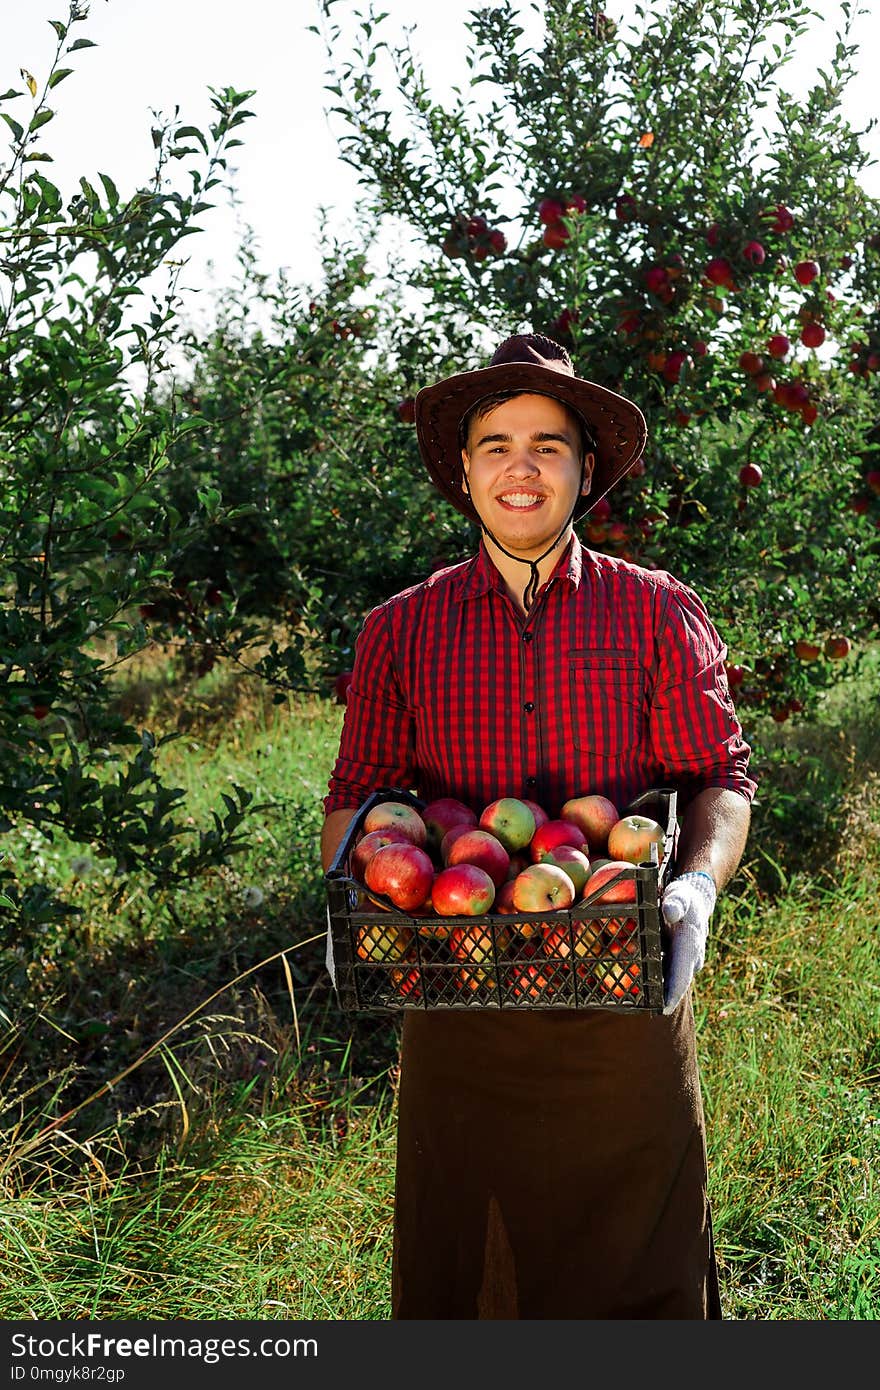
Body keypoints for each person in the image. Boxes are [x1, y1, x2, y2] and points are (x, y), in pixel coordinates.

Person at [320, 332, 756, 1320]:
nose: (522, 466)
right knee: (470, 1272)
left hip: (621, 999)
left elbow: (717, 775)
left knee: (637, 1263)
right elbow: (358, 788)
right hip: (461, 1005)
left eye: (548, 445)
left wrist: (694, 887)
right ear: (465, 473)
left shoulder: (654, 613)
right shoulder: (403, 628)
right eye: (496, 444)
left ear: (584, 469)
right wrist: (360, 894)